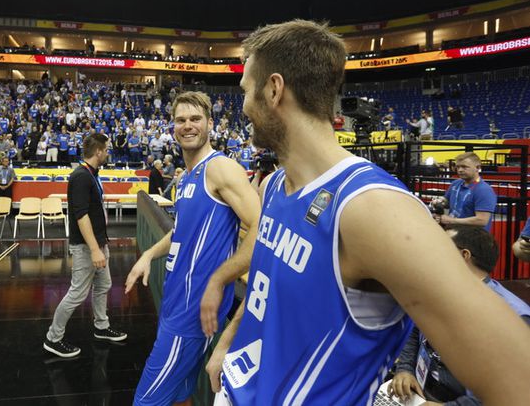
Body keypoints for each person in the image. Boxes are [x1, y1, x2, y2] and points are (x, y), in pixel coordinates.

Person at [202, 20, 530, 405]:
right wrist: (227, 342)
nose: (242, 106)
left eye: (245, 91)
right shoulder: (273, 185)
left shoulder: (372, 207)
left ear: (274, 90)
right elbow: (264, 289)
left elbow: (517, 377)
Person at [125, 91, 260, 406]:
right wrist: (148, 254)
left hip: (192, 311)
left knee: (145, 401)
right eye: (181, 120)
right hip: (178, 303)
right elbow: (180, 233)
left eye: (195, 119)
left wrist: (219, 280)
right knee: (182, 395)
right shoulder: (188, 177)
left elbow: (262, 228)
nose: (187, 126)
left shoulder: (220, 168)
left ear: (210, 124)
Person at [388, 226, 530, 405]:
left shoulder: (514, 316)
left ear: (464, 256)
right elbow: (416, 329)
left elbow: (510, 390)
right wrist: (405, 369)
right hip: (420, 391)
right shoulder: (435, 290)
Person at [44, 133, 127, 358]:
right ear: (98, 151)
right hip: (86, 246)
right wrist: (93, 249)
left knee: (104, 284)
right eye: (106, 149)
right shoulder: (81, 176)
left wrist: (100, 246)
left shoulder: (91, 174)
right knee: (78, 293)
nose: (108, 152)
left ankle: (101, 326)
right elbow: (81, 216)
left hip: (99, 242)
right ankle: (53, 338)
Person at [433, 152, 497, 231]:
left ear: (477, 167)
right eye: (458, 167)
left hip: (472, 237)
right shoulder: (455, 184)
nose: (460, 170)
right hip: (453, 232)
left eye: (464, 167)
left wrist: (451, 221)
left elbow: (482, 220)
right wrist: (440, 201)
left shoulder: (484, 190)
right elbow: (447, 201)